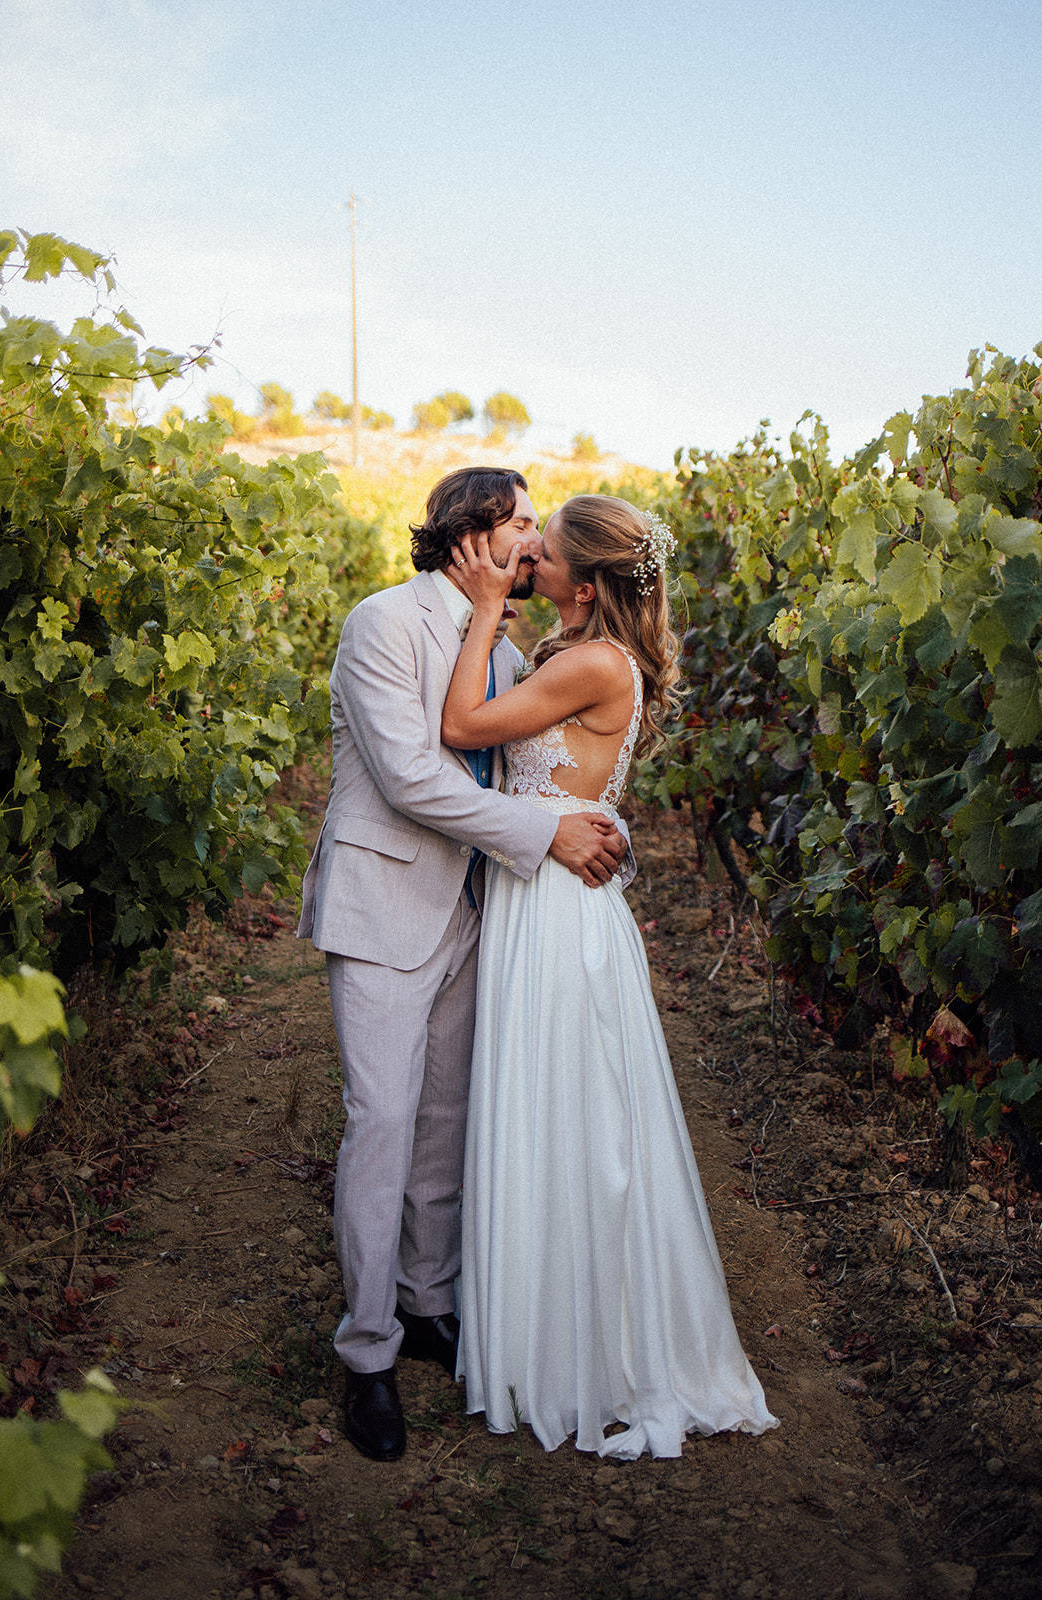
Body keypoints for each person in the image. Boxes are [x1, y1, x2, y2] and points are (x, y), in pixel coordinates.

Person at [297, 467, 627, 1463]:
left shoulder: (513, 645)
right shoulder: (381, 623)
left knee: (443, 1121)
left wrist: (582, 822)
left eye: (537, 529)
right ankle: (366, 1353)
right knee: (383, 1121)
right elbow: (408, 779)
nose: (535, 541)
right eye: (521, 523)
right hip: (385, 900)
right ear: (468, 534)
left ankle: (426, 1303)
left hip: (475, 911)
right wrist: (548, 831)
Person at [441, 493, 779, 1459]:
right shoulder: (574, 652)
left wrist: (475, 608)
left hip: (552, 915)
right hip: (542, 894)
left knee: (567, 1117)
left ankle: (581, 1351)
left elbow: (465, 726)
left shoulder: (590, 661)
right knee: (555, 1110)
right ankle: (544, 1330)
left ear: (584, 586)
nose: (522, 561)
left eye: (539, 556)